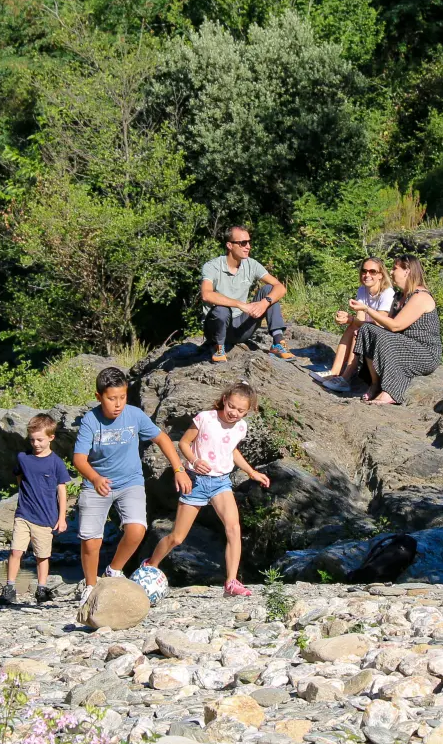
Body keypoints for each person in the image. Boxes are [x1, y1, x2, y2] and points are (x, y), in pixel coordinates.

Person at [73, 367, 192, 607]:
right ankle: (89, 586)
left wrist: (179, 469)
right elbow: (79, 459)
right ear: (99, 397)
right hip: (97, 484)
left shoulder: (135, 416)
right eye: (111, 398)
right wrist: (95, 479)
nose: (117, 404)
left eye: (122, 397)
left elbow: (162, 438)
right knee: (91, 540)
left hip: (130, 482)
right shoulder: (90, 420)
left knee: (137, 529)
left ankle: (114, 570)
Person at [140, 381, 270, 597]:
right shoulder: (205, 418)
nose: (234, 413)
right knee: (177, 537)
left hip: (221, 482)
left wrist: (252, 472)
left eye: (240, 410)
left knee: (233, 528)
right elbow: (183, 443)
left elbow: (232, 451)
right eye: (231, 407)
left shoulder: (240, 427)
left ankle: (231, 583)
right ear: (225, 400)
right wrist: (194, 459)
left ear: (248, 411)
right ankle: (150, 565)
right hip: (197, 481)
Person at [0, 413, 70, 606]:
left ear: (51, 438)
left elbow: (62, 491)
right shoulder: (23, 458)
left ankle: (41, 589)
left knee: (42, 555)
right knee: (16, 550)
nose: (36, 444)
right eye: (32, 440)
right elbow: (20, 478)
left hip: (46, 518)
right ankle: (9, 588)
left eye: (40, 440)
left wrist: (61, 518)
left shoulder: (56, 462)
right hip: (24, 514)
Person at [351, 254, 442, 405]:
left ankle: (390, 392)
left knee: (386, 338)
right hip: (403, 343)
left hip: (424, 352)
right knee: (367, 329)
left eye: (395, 268)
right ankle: (376, 383)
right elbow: (384, 325)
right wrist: (362, 329)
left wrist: (367, 309)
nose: (391, 272)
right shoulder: (399, 296)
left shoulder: (421, 296)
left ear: (407, 271)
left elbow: (395, 326)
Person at [202, 225, 294, 364]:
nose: (248, 246)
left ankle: (277, 342)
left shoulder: (251, 264)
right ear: (229, 245)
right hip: (216, 329)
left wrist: (264, 303)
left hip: (240, 328)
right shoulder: (212, 266)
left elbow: (280, 287)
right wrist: (240, 305)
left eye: (249, 242)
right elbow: (206, 295)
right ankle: (218, 347)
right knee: (221, 309)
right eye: (243, 243)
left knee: (269, 290)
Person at [312, 258, 394, 393]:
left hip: (384, 335)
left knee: (358, 331)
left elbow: (380, 323)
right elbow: (360, 320)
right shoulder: (363, 290)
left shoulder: (387, 293)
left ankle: (346, 378)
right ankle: (334, 371)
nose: (367, 275)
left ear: (380, 275)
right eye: (364, 271)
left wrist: (351, 320)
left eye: (372, 271)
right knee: (354, 328)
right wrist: (347, 319)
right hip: (369, 329)